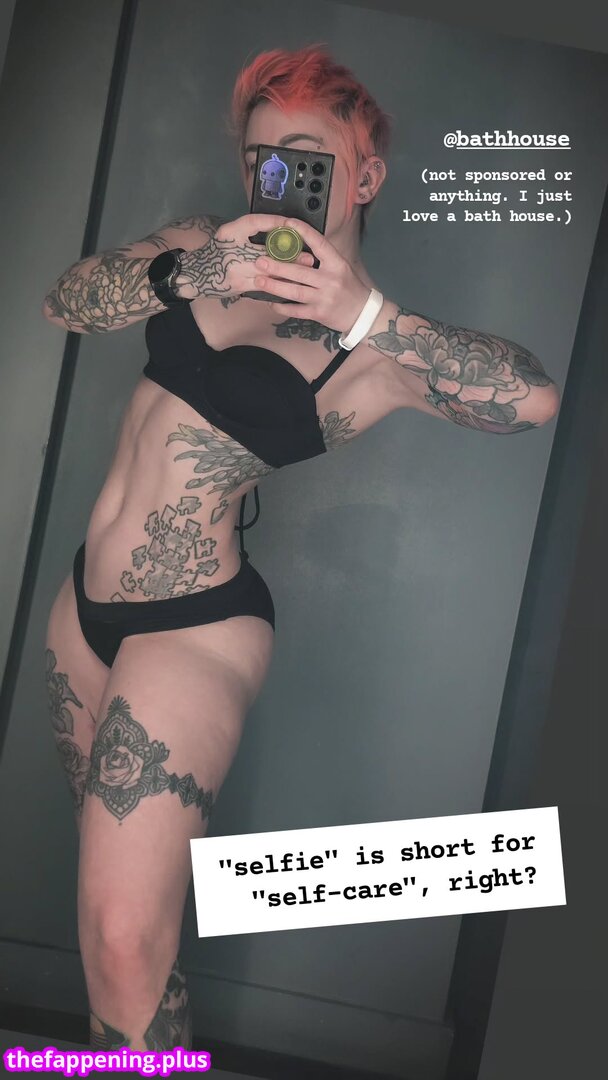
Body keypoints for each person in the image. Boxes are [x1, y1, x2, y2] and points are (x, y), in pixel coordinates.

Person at [42, 44, 561, 1052]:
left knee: (121, 937)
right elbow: (67, 300)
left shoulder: (377, 355)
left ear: (362, 177)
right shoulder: (203, 243)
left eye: (305, 160)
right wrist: (196, 270)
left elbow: (531, 399)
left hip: (191, 626)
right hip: (82, 612)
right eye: (260, 160)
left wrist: (365, 314)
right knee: (126, 936)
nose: (274, 180)